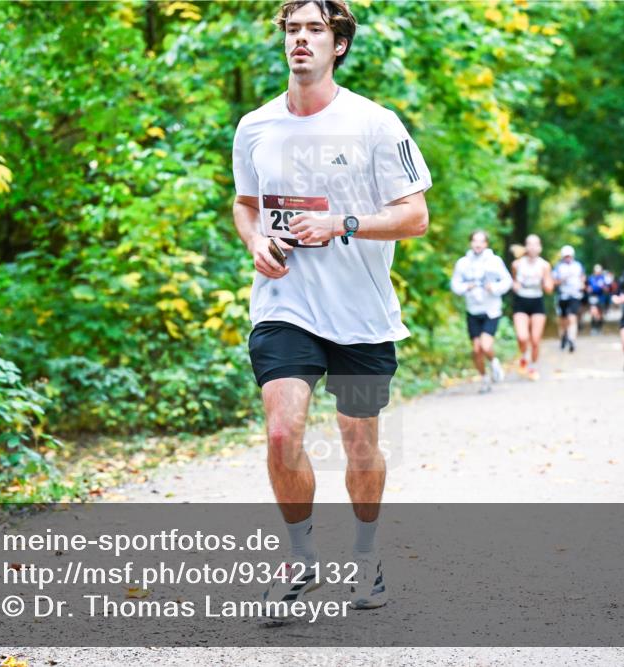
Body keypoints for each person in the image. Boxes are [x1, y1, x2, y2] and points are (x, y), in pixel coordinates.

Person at [231, 0, 431, 619]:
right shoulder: (255, 126)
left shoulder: (376, 124)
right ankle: (300, 562)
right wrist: (254, 239)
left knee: (360, 446)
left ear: (337, 44)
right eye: (292, 29)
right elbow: (244, 203)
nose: (301, 40)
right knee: (282, 431)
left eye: (315, 29)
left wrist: (342, 223)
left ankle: (366, 558)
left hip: (361, 314)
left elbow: (415, 217)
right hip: (284, 302)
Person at [451, 230, 513, 393]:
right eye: (475, 241)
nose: (478, 244)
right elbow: (455, 285)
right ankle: (484, 379)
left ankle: (494, 363)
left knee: (485, 346)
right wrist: (466, 287)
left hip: (491, 310)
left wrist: (494, 288)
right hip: (473, 310)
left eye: (481, 241)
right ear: (471, 243)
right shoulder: (463, 263)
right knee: (476, 350)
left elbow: (507, 281)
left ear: (486, 244)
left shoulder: (494, 261)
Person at [509, 234, 552, 381]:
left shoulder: (544, 265)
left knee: (535, 340)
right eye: (530, 244)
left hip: (537, 302)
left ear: (540, 248)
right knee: (522, 337)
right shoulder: (517, 264)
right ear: (526, 247)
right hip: (521, 301)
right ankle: (524, 356)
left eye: (536, 244)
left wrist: (546, 284)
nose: (533, 247)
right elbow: (513, 280)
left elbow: (549, 288)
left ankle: (533, 367)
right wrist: (515, 285)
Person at [552, 245, 585, 353]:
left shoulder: (578, 266)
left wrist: (582, 285)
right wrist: (563, 279)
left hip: (574, 295)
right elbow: (554, 281)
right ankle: (563, 337)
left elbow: (582, 278)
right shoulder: (558, 267)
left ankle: (571, 340)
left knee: (572, 318)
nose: (568, 258)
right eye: (566, 256)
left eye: (569, 256)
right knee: (563, 320)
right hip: (562, 296)